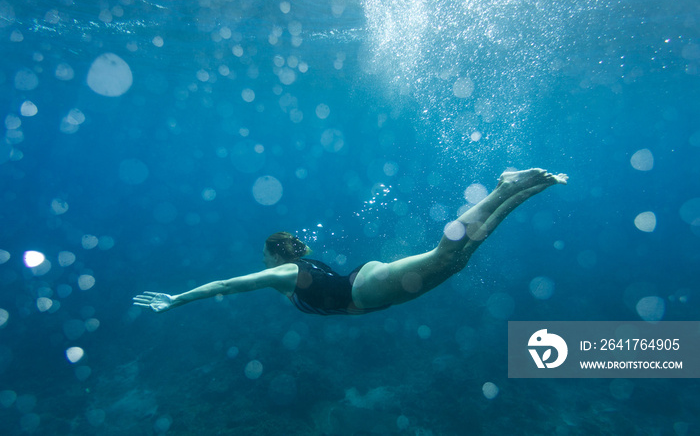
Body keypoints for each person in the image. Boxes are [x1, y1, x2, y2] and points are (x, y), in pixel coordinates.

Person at [133, 168, 567, 316]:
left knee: (446, 254)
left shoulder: (283, 273)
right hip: (368, 288)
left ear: (272, 254)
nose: (260, 261)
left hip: (366, 288)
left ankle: (503, 186)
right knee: (458, 261)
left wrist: (177, 299)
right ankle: (523, 191)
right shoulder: (298, 268)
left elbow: (225, 286)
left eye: (262, 255)